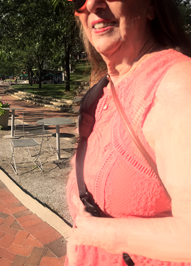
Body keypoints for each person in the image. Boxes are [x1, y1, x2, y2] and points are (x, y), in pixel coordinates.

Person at [65, 0, 191, 264]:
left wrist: (98, 233)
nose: (92, 5)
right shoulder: (103, 89)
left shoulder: (177, 85)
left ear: (150, 7)